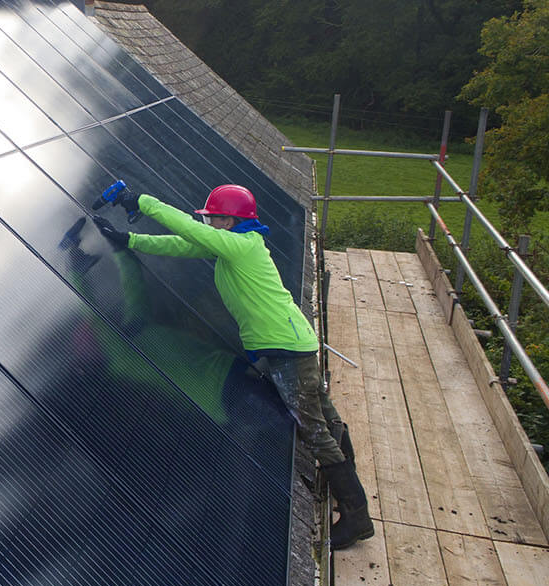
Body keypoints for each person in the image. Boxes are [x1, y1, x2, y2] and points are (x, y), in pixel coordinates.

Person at [92, 181, 374, 550]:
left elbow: (187, 229)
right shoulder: (233, 246)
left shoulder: (241, 247)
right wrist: (129, 241)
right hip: (289, 344)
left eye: (212, 218)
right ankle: (347, 498)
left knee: (315, 430)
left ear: (228, 221)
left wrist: (140, 201)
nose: (206, 224)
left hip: (287, 349)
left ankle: (356, 516)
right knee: (326, 418)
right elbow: (180, 244)